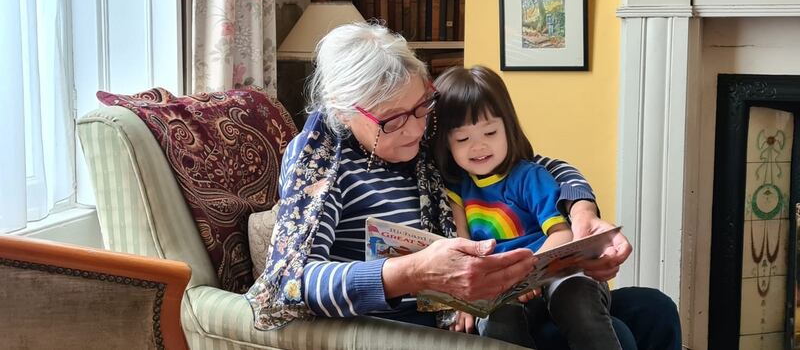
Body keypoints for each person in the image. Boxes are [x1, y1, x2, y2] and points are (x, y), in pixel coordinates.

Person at [245, 23, 680, 350]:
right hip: (410, 323)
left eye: (421, 108)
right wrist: (414, 273)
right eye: (393, 121)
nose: (416, 129)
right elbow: (292, 282)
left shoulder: (423, 129)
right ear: (343, 112)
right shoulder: (319, 158)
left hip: (487, 298)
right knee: (618, 332)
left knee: (654, 309)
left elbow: (533, 165)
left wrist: (583, 213)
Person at [432, 65, 622, 350]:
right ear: (446, 143)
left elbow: (562, 234)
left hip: (554, 269)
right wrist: (464, 301)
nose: (479, 146)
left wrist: (528, 274)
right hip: (502, 286)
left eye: (490, 132)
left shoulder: (531, 176)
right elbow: (462, 246)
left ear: (508, 128)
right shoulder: (456, 187)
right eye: (463, 139)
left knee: (575, 297)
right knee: (498, 317)